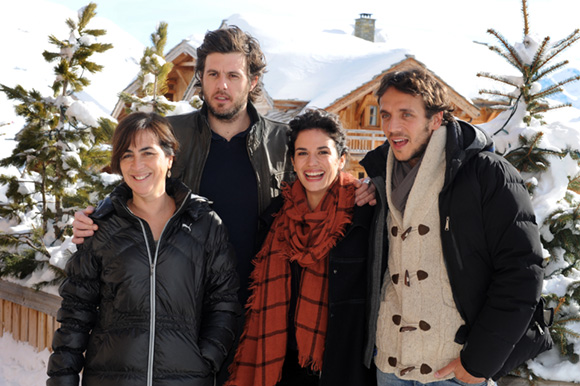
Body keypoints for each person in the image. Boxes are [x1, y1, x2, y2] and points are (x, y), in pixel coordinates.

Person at [70, 26, 376, 385]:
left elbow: (319, 186)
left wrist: (366, 189)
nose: (222, 85)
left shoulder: (282, 141)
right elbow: (136, 180)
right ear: (200, 76)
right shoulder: (174, 134)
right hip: (184, 312)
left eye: (233, 75)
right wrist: (97, 215)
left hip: (260, 308)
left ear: (254, 80)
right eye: (213, 74)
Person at [360, 68, 550, 386]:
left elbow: (522, 273)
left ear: (437, 119)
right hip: (390, 366)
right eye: (386, 114)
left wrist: (479, 362)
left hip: (454, 369)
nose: (392, 127)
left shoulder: (487, 173)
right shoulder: (380, 174)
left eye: (406, 114)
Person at [47, 112, 240, 386]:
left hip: (186, 379)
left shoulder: (204, 224)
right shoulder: (100, 227)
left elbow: (225, 301)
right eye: (127, 155)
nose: (137, 165)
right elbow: (76, 312)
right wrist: (62, 380)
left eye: (147, 152)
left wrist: (207, 357)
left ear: (169, 158)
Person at [226, 109, 382, 386]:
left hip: (342, 369)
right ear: (292, 161)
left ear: (342, 159)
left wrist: (376, 186)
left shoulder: (364, 214)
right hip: (281, 368)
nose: (312, 163)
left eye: (323, 152)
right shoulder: (275, 217)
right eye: (302, 153)